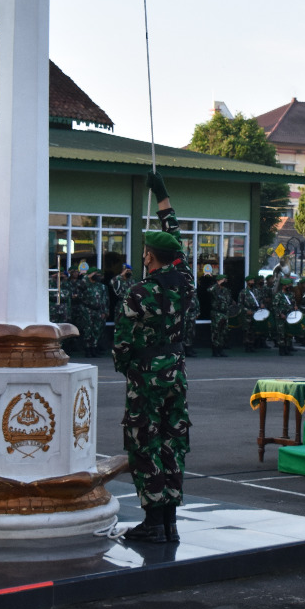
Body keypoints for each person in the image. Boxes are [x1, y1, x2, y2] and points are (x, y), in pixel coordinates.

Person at [112, 171, 193, 543]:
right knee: (173, 441)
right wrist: (162, 196)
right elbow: (174, 237)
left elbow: (122, 345)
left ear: (149, 257)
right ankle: (171, 522)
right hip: (176, 372)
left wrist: (130, 368)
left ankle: (153, 523)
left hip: (146, 376)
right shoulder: (186, 283)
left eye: (145, 253)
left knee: (144, 444)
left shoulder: (137, 292)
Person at [207, 273, 232, 357]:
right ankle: (215, 350)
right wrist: (217, 284)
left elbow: (229, 300)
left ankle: (221, 350)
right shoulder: (214, 289)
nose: (226, 281)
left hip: (224, 313)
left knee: (223, 332)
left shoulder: (226, 290)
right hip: (217, 313)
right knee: (216, 332)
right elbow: (209, 290)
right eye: (224, 279)